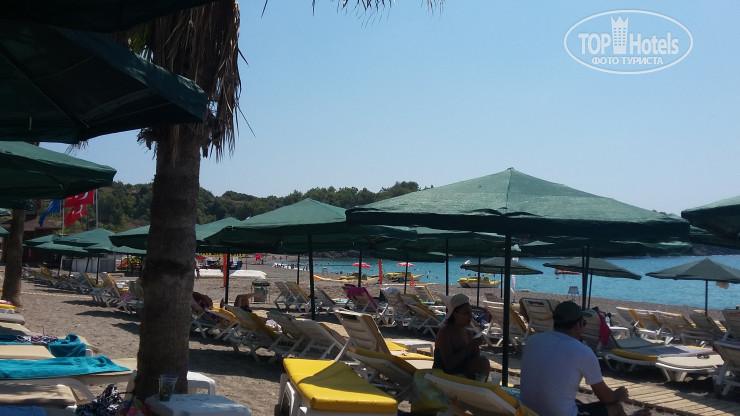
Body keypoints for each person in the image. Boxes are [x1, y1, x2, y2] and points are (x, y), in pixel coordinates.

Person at [520, 301, 650, 416]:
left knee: (577, 402)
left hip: (526, 410)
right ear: (578, 325)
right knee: (616, 408)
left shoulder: (533, 341)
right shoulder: (582, 351)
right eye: (584, 323)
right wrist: (618, 395)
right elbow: (606, 398)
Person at [433, 293, 490, 380]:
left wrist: (476, 346)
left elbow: (475, 358)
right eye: (466, 313)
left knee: (483, 362)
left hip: (460, 374)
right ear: (455, 314)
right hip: (443, 377)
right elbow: (449, 364)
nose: (470, 316)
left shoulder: (468, 333)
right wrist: (469, 347)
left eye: (471, 313)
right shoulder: (445, 333)